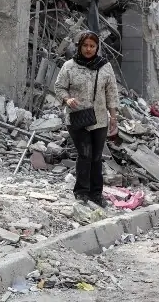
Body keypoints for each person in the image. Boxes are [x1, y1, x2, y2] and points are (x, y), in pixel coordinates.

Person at [54, 31, 119, 207]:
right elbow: (59, 87)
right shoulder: (69, 66)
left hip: (99, 119)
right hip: (77, 118)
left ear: (97, 47)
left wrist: (113, 116)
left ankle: (96, 193)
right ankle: (81, 192)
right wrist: (67, 99)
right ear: (79, 46)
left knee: (97, 156)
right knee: (85, 154)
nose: (88, 49)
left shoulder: (105, 66)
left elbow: (111, 92)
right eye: (85, 45)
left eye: (92, 46)